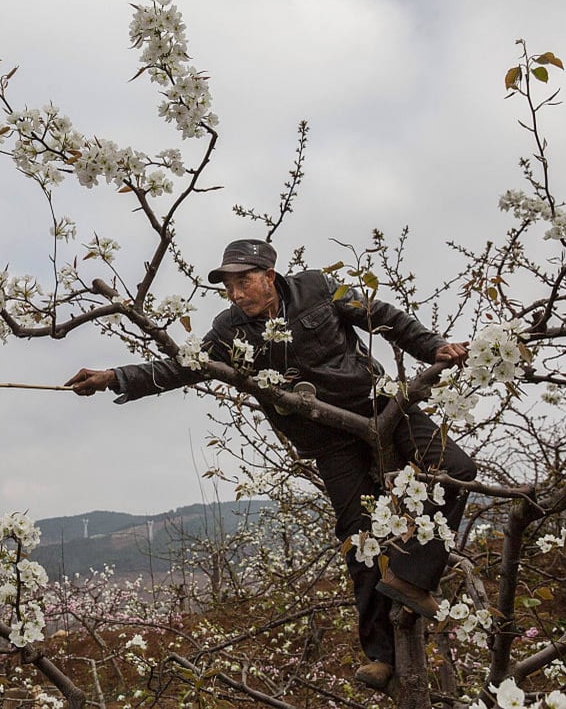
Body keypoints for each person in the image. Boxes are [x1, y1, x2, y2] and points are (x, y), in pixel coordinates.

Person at [67, 238, 476, 695]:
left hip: (381, 406)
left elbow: (383, 317)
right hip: (327, 438)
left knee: (455, 472)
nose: (237, 294)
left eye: (244, 281)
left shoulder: (321, 288)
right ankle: (381, 657)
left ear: (269, 274)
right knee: (359, 538)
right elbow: (185, 366)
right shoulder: (228, 331)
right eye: (229, 286)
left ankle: (413, 577)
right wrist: (115, 377)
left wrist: (434, 348)